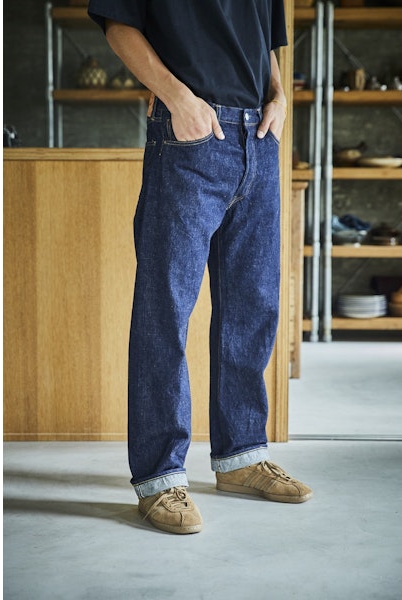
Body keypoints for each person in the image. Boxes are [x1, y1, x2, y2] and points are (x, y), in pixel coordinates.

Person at [88, 0, 313, 535]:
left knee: (252, 307)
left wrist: (279, 96)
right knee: (165, 311)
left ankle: (241, 458)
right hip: (189, 134)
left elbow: (265, 40)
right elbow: (119, 25)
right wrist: (177, 98)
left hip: (260, 138)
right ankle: (159, 477)